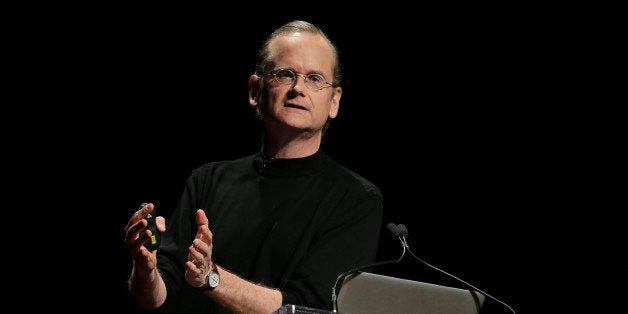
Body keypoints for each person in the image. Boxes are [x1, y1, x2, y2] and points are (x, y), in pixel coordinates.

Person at [124, 20, 384, 314]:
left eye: (314, 78)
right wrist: (145, 269)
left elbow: (312, 307)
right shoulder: (208, 180)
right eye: (285, 74)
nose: (298, 88)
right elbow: (158, 297)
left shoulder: (356, 199)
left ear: (334, 101)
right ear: (254, 90)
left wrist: (211, 278)